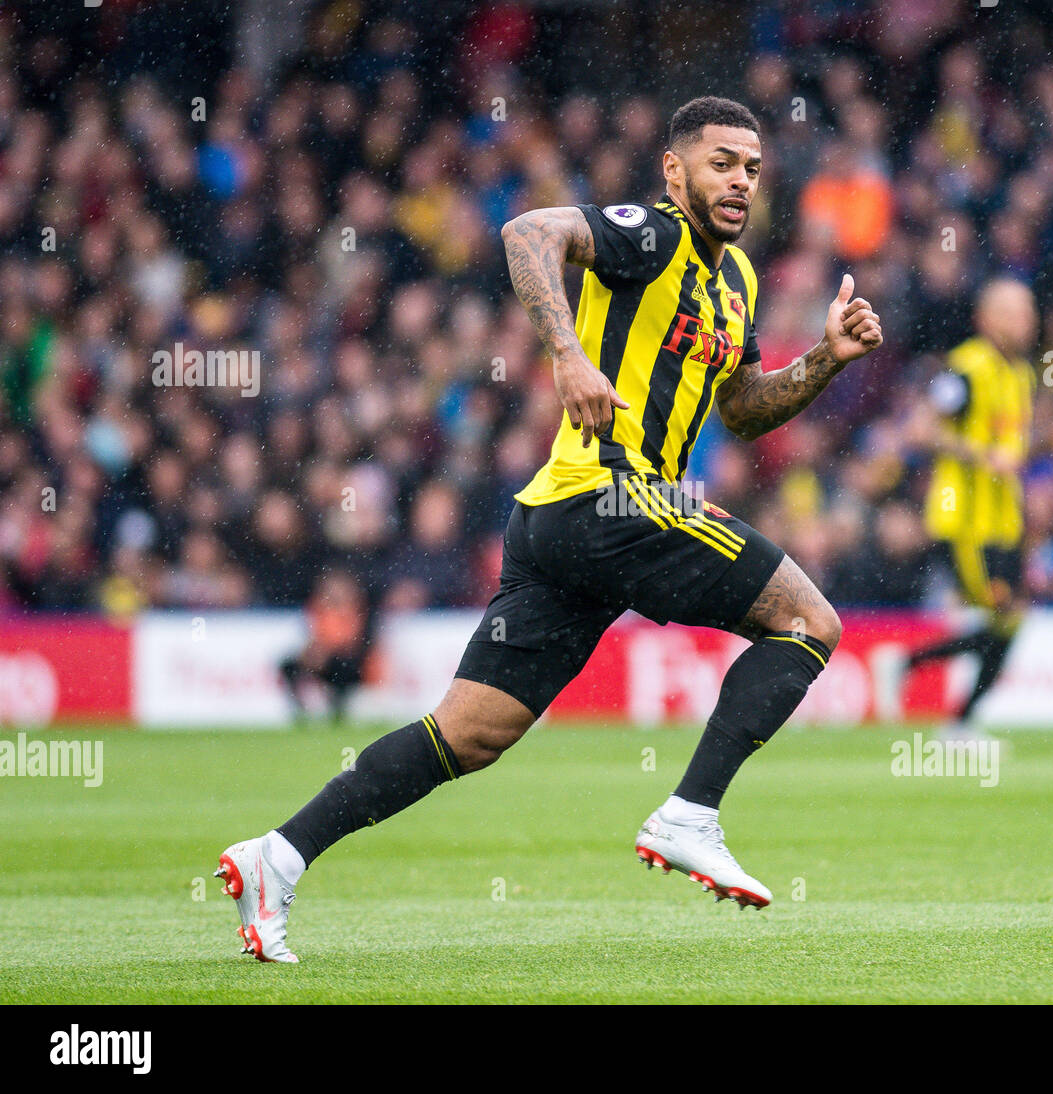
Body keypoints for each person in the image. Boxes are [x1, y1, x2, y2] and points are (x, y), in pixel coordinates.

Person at [214, 96, 884, 962]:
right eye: (721, 163)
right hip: (613, 498)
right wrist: (568, 354)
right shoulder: (652, 234)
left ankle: (277, 856)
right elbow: (528, 231)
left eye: (751, 168)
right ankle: (690, 814)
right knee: (808, 621)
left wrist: (825, 358)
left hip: (563, 525)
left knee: (468, 735)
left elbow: (745, 410)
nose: (739, 182)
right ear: (675, 169)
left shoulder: (740, 283)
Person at [874, 278, 1038, 734]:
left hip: (1005, 521)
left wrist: (1050, 444)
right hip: (966, 520)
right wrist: (980, 455)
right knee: (1005, 618)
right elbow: (919, 430)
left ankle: (918, 675)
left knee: (1010, 621)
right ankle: (943, 707)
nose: (1028, 321)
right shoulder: (967, 370)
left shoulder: (1021, 374)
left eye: (1029, 311)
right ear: (988, 319)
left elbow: (1009, 447)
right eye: (1016, 312)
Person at [279, 569, 374, 723]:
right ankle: (300, 709)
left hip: (348, 660)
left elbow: (356, 643)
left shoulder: (358, 610)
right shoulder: (317, 609)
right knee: (289, 665)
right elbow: (310, 634)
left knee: (342, 667)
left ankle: (338, 708)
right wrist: (312, 653)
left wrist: (327, 652)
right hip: (322, 656)